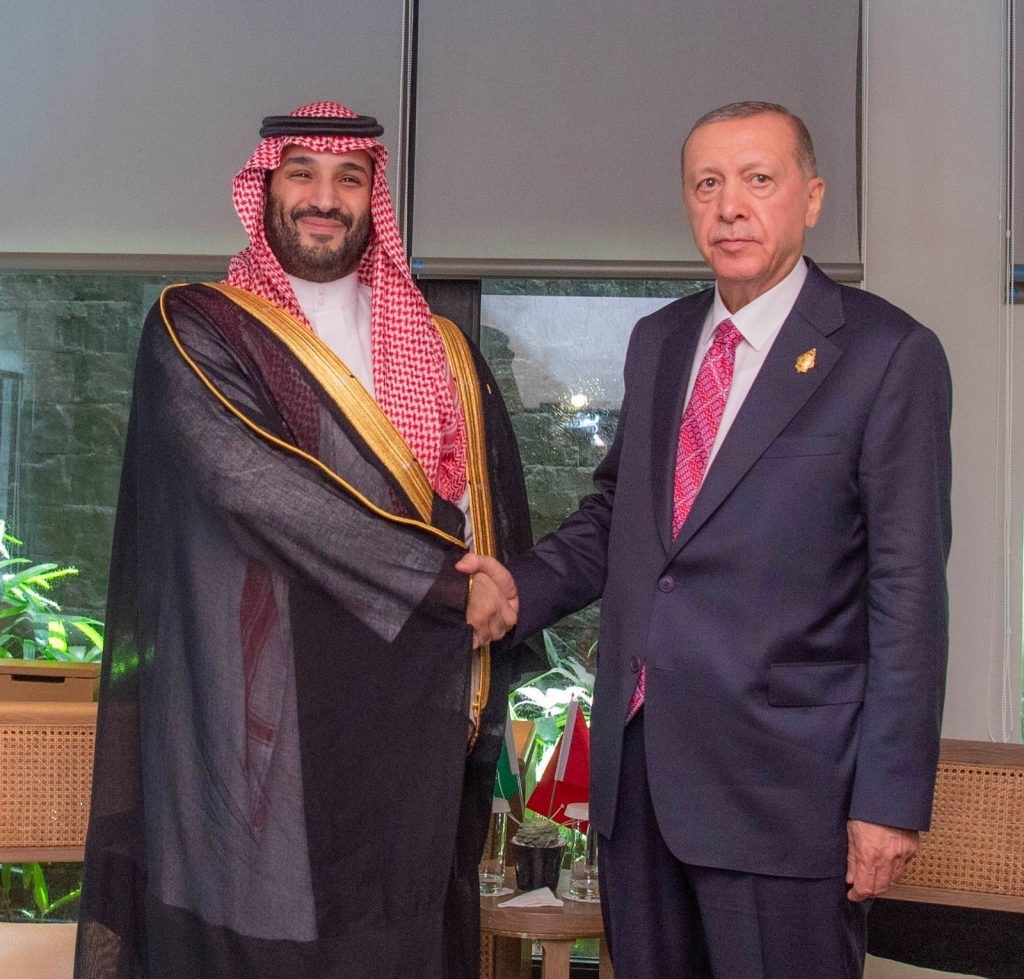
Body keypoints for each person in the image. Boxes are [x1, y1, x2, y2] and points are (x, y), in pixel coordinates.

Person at [464, 101, 952, 977]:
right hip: (640, 784)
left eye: (759, 180)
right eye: (707, 184)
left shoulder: (886, 354)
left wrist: (890, 797)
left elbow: (908, 589)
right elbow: (620, 517)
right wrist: (515, 590)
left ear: (812, 198)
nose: (731, 206)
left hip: (786, 792)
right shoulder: (660, 341)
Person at [75, 100, 531, 978]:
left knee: (397, 937)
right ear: (265, 187)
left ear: (373, 197)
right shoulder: (199, 327)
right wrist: (447, 585)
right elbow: (259, 488)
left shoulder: (442, 349)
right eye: (303, 174)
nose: (325, 199)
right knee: (266, 939)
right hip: (264, 719)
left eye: (349, 179)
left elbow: (484, 511)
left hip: (409, 717)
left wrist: (491, 589)